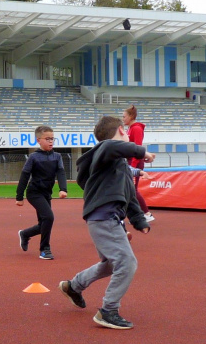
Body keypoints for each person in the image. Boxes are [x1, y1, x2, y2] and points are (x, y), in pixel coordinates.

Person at [58, 115, 155, 330]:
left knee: (111, 264)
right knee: (127, 263)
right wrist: (141, 152)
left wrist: (139, 220)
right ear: (122, 129)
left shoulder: (117, 164)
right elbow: (110, 146)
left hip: (109, 218)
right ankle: (108, 310)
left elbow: (129, 194)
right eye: (126, 133)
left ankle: (74, 286)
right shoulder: (103, 151)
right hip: (104, 217)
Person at [15, 125, 68, 260]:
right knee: (49, 217)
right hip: (34, 193)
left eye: (52, 139)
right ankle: (45, 249)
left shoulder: (57, 156)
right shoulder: (34, 157)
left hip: (46, 194)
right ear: (38, 140)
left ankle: (25, 234)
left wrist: (63, 189)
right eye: (47, 139)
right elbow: (24, 176)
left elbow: (61, 173)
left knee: (44, 223)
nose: (51, 141)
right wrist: (19, 197)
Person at [122, 104, 154, 223]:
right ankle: (139, 213)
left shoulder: (136, 129)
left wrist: (134, 166)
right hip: (131, 161)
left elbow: (137, 147)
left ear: (131, 116)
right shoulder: (130, 129)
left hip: (134, 163)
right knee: (129, 189)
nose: (123, 118)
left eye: (124, 116)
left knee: (133, 190)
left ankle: (146, 213)